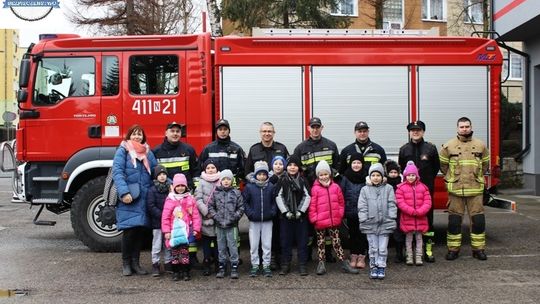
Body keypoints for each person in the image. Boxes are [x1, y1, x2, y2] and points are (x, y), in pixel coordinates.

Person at [439, 117, 489, 261]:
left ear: (471, 127)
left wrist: (476, 176)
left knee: (478, 222)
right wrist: (453, 178)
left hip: (475, 190)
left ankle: (478, 250)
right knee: (454, 222)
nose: (464, 129)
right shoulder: (448, 146)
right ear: (457, 128)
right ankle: (453, 250)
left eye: (467, 126)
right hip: (456, 190)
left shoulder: (480, 145)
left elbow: (485, 165)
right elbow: (443, 166)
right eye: (462, 127)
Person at [292, 117, 340, 262]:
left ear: (321, 127)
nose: (315, 129)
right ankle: (307, 253)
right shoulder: (300, 148)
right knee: (308, 224)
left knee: (327, 224)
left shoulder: (330, 145)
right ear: (308, 128)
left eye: (317, 127)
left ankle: (328, 253)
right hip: (308, 192)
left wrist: (329, 183)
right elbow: (296, 170)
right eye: (312, 127)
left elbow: (337, 166)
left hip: (325, 191)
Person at [112, 124, 157, 276]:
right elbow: (117, 172)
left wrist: (173, 184)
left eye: (140, 134)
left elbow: (156, 173)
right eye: (134, 134)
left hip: (143, 197)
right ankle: (126, 263)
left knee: (139, 232)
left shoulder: (148, 153)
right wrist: (124, 192)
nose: (137, 136)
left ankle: (136, 264)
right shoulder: (122, 151)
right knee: (129, 231)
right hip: (129, 197)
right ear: (129, 136)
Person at [398, 120, 440, 263]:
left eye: (419, 129)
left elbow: (435, 169)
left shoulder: (430, 149)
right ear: (409, 132)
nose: (415, 132)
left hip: (425, 192)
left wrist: (425, 184)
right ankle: (409, 250)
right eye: (413, 130)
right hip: (409, 195)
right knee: (408, 222)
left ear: (423, 132)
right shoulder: (404, 149)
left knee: (428, 221)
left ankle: (427, 250)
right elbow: (403, 170)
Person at [308, 160, 359, 275]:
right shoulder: (315, 189)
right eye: (321, 175)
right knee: (320, 243)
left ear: (330, 174)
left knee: (336, 242)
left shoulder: (335, 187)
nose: (323, 177)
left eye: (326, 174)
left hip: (334, 220)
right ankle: (321, 263)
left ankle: (344, 263)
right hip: (320, 221)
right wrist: (314, 218)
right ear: (317, 176)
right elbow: (312, 205)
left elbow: (341, 202)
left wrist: (340, 214)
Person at [358, 163, 397, 280]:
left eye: (378, 175)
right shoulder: (365, 190)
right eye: (373, 175)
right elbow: (362, 206)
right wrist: (364, 219)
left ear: (382, 176)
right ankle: (373, 266)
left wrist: (391, 218)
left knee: (383, 248)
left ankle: (381, 266)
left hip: (385, 223)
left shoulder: (388, 188)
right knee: (373, 247)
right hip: (370, 223)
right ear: (370, 177)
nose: (375, 177)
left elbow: (392, 204)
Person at [275, 155, 311, 276]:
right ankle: (285, 264)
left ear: (298, 167)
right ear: (286, 167)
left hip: (301, 217)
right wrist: (286, 212)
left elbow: (307, 196)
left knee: (302, 241)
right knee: (285, 241)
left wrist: (301, 211)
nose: (292, 167)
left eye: (295, 165)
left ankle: (302, 264)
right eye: (290, 165)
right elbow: (279, 196)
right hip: (286, 217)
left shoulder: (303, 180)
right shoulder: (282, 180)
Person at [161, 174, 202, 281]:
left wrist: (196, 229)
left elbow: (196, 215)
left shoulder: (190, 199)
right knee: (174, 254)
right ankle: (175, 272)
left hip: (186, 232)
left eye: (182, 185)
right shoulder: (170, 199)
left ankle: (185, 271)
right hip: (173, 232)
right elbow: (165, 217)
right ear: (174, 187)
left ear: (186, 186)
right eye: (177, 186)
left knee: (185, 253)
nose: (180, 188)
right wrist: (166, 231)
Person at [208, 169, 245, 279]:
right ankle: (222, 267)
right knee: (221, 247)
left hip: (232, 226)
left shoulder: (236, 193)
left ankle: (234, 267)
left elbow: (241, 207)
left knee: (233, 247)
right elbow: (210, 206)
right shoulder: (216, 193)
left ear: (232, 180)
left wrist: (235, 217)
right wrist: (216, 217)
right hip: (219, 226)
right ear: (220, 181)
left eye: (228, 179)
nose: (226, 181)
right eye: (223, 179)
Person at [243, 161, 277, 278]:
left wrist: (272, 212)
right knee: (254, 244)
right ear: (255, 174)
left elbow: (274, 202)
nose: (262, 176)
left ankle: (266, 265)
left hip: (268, 220)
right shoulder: (249, 187)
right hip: (254, 220)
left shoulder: (271, 187)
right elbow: (245, 202)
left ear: (267, 175)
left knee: (267, 243)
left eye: (264, 174)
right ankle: (255, 265)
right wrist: (250, 214)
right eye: (259, 174)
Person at [395, 161, 432, 266]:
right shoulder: (400, 188)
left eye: (413, 175)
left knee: (419, 239)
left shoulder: (423, 187)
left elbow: (427, 202)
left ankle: (419, 256)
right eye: (409, 175)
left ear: (417, 176)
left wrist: (420, 211)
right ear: (405, 176)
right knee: (408, 239)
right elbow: (400, 202)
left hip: (420, 218)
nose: (411, 177)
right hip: (407, 218)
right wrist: (411, 211)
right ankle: (409, 256)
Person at [340, 152, 368, 269]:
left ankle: (362, 256)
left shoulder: (367, 177)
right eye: (354, 163)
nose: (356, 165)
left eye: (359, 163)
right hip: (350, 211)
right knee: (353, 234)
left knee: (363, 234)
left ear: (363, 164)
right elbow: (341, 194)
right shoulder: (345, 177)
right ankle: (353, 255)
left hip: (364, 212)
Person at [194, 159, 221, 276]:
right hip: (206, 219)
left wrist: (217, 213)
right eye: (208, 168)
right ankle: (206, 262)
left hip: (218, 219)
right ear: (205, 170)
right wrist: (206, 212)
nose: (210, 170)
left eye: (213, 167)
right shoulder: (201, 182)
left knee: (218, 242)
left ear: (217, 169)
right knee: (206, 243)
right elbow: (197, 198)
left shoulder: (221, 181)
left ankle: (218, 262)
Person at [153, 122, 199, 189]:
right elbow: (153, 174)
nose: (175, 133)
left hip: (185, 190)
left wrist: (196, 188)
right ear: (166, 133)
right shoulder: (157, 151)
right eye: (172, 131)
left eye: (177, 131)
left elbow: (196, 170)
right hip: (165, 191)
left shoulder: (188, 149)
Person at [199, 119, 246, 184]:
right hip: (213, 185)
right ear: (216, 131)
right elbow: (200, 166)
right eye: (220, 129)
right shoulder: (208, 148)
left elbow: (243, 168)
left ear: (229, 131)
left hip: (231, 185)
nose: (223, 132)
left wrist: (239, 180)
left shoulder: (237, 149)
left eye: (225, 129)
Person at [146, 165, 173, 277]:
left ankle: (168, 263)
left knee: (168, 244)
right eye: (159, 175)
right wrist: (163, 215)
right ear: (156, 177)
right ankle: (155, 264)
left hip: (168, 223)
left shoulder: (170, 189)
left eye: (164, 174)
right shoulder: (152, 190)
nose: (162, 177)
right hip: (157, 223)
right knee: (157, 244)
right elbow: (151, 206)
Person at [384, 160, 404, 263]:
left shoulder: (401, 184)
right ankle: (384, 254)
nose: (393, 174)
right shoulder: (384, 184)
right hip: (386, 211)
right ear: (387, 173)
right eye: (391, 172)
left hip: (398, 211)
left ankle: (399, 254)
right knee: (386, 233)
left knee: (398, 233)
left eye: (395, 172)